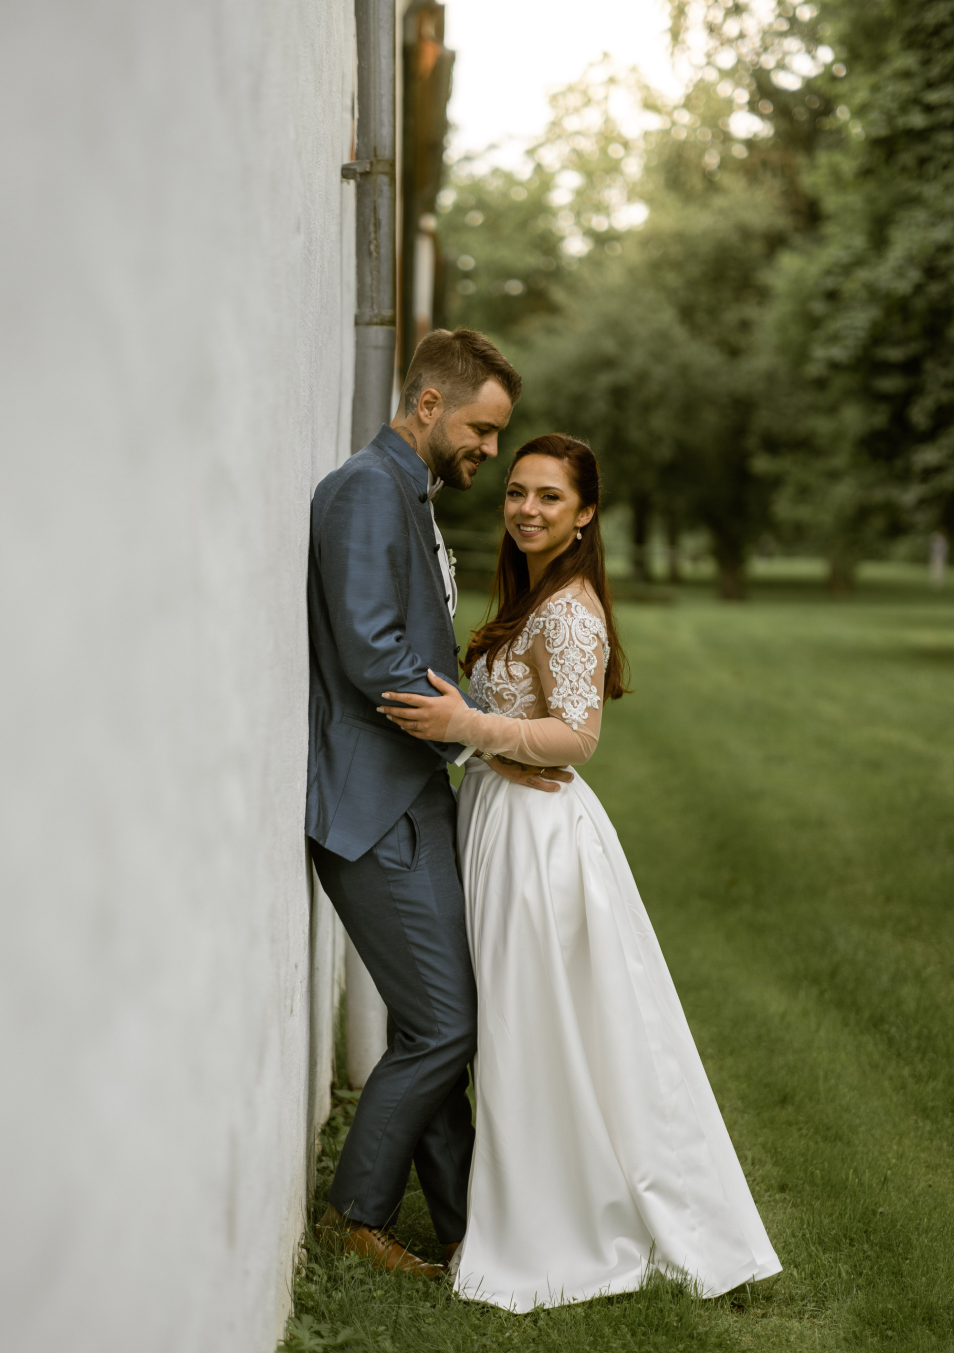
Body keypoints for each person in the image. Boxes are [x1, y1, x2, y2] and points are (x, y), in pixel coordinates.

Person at [379, 433, 782, 1309]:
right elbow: (520, 722)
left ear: (586, 514)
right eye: (517, 492)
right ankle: (528, 1196)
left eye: (550, 497)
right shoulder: (533, 593)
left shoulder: (569, 610)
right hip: (500, 819)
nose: (526, 509)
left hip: (538, 843)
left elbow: (576, 736)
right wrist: (483, 741)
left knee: (539, 1025)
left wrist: (470, 728)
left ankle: (557, 1219)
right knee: (524, 1022)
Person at [306, 329, 572, 1280]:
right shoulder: (365, 491)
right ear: (428, 404)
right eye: (482, 430)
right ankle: (356, 1217)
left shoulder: (406, 490)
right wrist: (479, 738)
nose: (490, 451)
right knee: (445, 1026)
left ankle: (466, 1229)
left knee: (440, 1019)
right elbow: (373, 653)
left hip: (413, 800)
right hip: (371, 810)